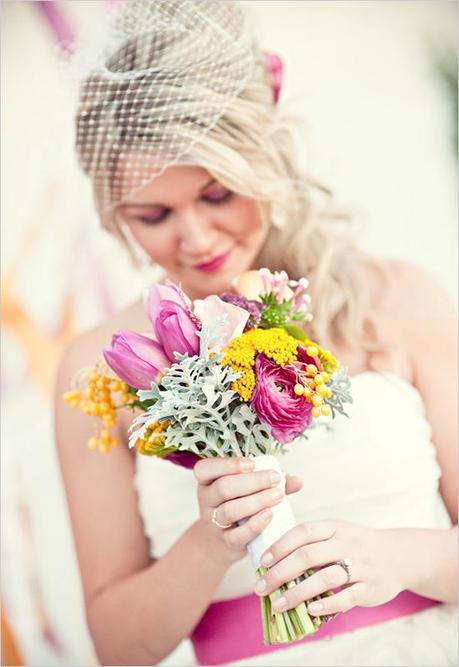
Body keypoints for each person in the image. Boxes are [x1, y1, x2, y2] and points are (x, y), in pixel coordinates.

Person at [54, 2, 457, 665]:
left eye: (217, 196)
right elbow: (117, 647)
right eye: (153, 214)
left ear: (264, 157)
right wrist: (211, 540)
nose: (196, 238)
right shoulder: (99, 364)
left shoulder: (399, 298)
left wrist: (399, 555)